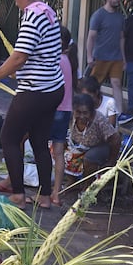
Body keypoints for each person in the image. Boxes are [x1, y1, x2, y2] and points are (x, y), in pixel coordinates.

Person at [0, 0, 64, 210]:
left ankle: (18, 194)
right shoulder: (49, 12)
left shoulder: (32, 16)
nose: (15, 1)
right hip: (53, 88)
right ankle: (45, 196)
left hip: (35, 91)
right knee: (39, 142)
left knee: (9, 137)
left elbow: (19, 57)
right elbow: (39, 53)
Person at [86, 0, 126, 119]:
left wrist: (124, 58)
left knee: (117, 83)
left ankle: (119, 113)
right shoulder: (98, 15)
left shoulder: (120, 17)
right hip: (101, 56)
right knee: (94, 86)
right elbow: (91, 37)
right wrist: (89, 56)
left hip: (116, 57)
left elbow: (121, 38)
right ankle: (88, 109)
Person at [50, 25, 78, 207]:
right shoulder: (68, 61)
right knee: (58, 152)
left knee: (41, 149)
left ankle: (44, 191)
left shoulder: (55, 61)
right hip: (66, 110)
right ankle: (55, 194)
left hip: (53, 109)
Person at [68, 93, 121, 183]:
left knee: (89, 158)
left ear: (91, 112)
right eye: (78, 112)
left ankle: (86, 186)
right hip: (79, 145)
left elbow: (116, 138)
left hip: (99, 146)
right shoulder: (71, 116)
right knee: (57, 149)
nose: (81, 116)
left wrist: (112, 161)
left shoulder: (99, 119)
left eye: (85, 113)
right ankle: (72, 181)